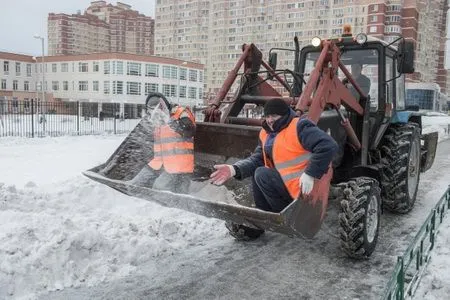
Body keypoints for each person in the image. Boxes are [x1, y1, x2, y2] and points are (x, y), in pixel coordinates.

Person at [210, 98, 338, 241]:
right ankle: (261, 218)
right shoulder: (265, 134)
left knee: (261, 173)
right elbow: (257, 158)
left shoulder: (300, 126)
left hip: (303, 192)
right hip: (283, 187)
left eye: (274, 116)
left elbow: (328, 145)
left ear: (284, 115)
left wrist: (310, 173)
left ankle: (280, 215)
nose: (270, 120)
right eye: (267, 116)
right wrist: (234, 169)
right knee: (258, 171)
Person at [130, 94, 196, 194]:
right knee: (136, 184)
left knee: (160, 189)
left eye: (156, 108)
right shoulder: (157, 119)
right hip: (159, 163)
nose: (154, 112)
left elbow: (190, 131)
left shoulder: (181, 113)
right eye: (151, 110)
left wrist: (171, 122)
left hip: (179, 165)